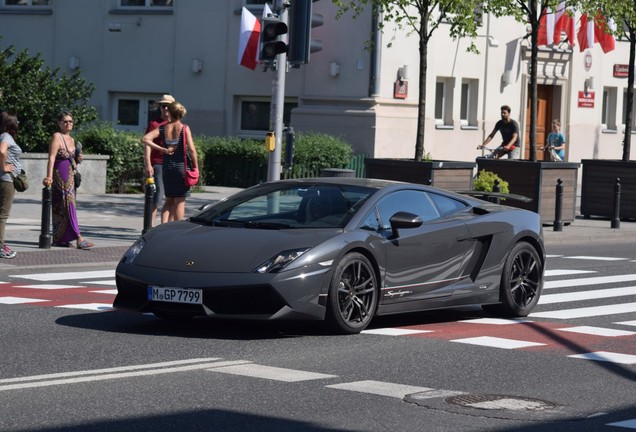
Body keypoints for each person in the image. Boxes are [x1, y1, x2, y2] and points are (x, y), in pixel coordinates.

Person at [42, 111, 94, 249]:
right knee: (66, 205)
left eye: (70, 121)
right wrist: (49, 176)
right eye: (65, 121)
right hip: (60, 175)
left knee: (66, 206)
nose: (68, 124)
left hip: (70, 175)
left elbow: (72, 159)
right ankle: (78, 237)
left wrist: (78, 158)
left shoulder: (72, 139)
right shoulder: (56, 136)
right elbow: (52, 157)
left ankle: (61, 238)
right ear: (59, 123)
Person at [142, 101, 198, 223]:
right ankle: (177, 228)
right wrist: (196, 166)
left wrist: (162, 149)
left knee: (168, 201)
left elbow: (145, 139)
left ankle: (163, 227)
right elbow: (192, 150)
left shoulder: (162, 128)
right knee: (179, 201)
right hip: (180, 168)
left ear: (170, 113)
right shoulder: (184, 128)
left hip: (167, 167)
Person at [144, 94, 175, 226]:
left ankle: (167, 225)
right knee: (157, 196)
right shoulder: (154, 124)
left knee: (172, 197)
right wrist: (148, 164)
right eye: (163, 106)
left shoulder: (176, 123)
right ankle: (149, 226)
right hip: (159, 163)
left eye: (167, 106)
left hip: (173, 164)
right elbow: (147, 143)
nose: (165, 108)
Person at [0, 111, 22, 258]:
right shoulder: (6, 136)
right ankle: (0, 246)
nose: (18, 123)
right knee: (3, 215)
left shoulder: (3, 136)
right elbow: (2, 151)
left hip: (4, 179)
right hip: (6, 180)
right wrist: (4, 167)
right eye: (16, 120)